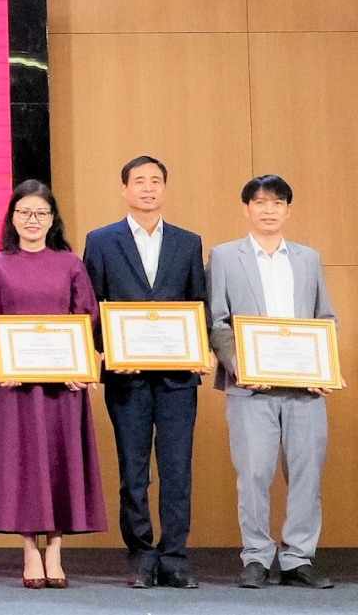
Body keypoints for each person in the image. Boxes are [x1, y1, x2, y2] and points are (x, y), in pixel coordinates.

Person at [82, 155, 209, 589]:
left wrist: (198, 352)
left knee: (177, 468)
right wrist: (108, 352)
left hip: (177, 379)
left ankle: (175, 556)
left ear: (165, 188)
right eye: (139, 181)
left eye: (156, 181)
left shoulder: (188, 242)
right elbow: (92, 308)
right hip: (127, 376)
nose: (148, 188)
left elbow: (199, 306)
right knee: (133, 469)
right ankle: (141, 553)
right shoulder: (100, 241)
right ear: (124, 189)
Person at [0, 180, 106, 589]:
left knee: (61, 462)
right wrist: (4, 359)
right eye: (25, 213)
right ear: (12, 218)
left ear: (53, 220)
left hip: (62, 387)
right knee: (24, 467)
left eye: (41, 214)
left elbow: (87, 318)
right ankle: (30, 550)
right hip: (15, 387)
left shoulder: (70, 263)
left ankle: (56, 550)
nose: (33, 220)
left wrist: (80, 362)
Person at [208, 174, 336, 590]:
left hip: (305, 389)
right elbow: (217, 322)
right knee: (254, 474)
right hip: (249, 388)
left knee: (306, 474)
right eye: (260, 202)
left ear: (287, 209)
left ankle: (299, 557)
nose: (268, 210)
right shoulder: (225, 257)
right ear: (246, 208)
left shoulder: (308, 258)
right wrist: (240, 365)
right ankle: (257, 557)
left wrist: (323, 369)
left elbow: (324, 320)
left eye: (277, 203)